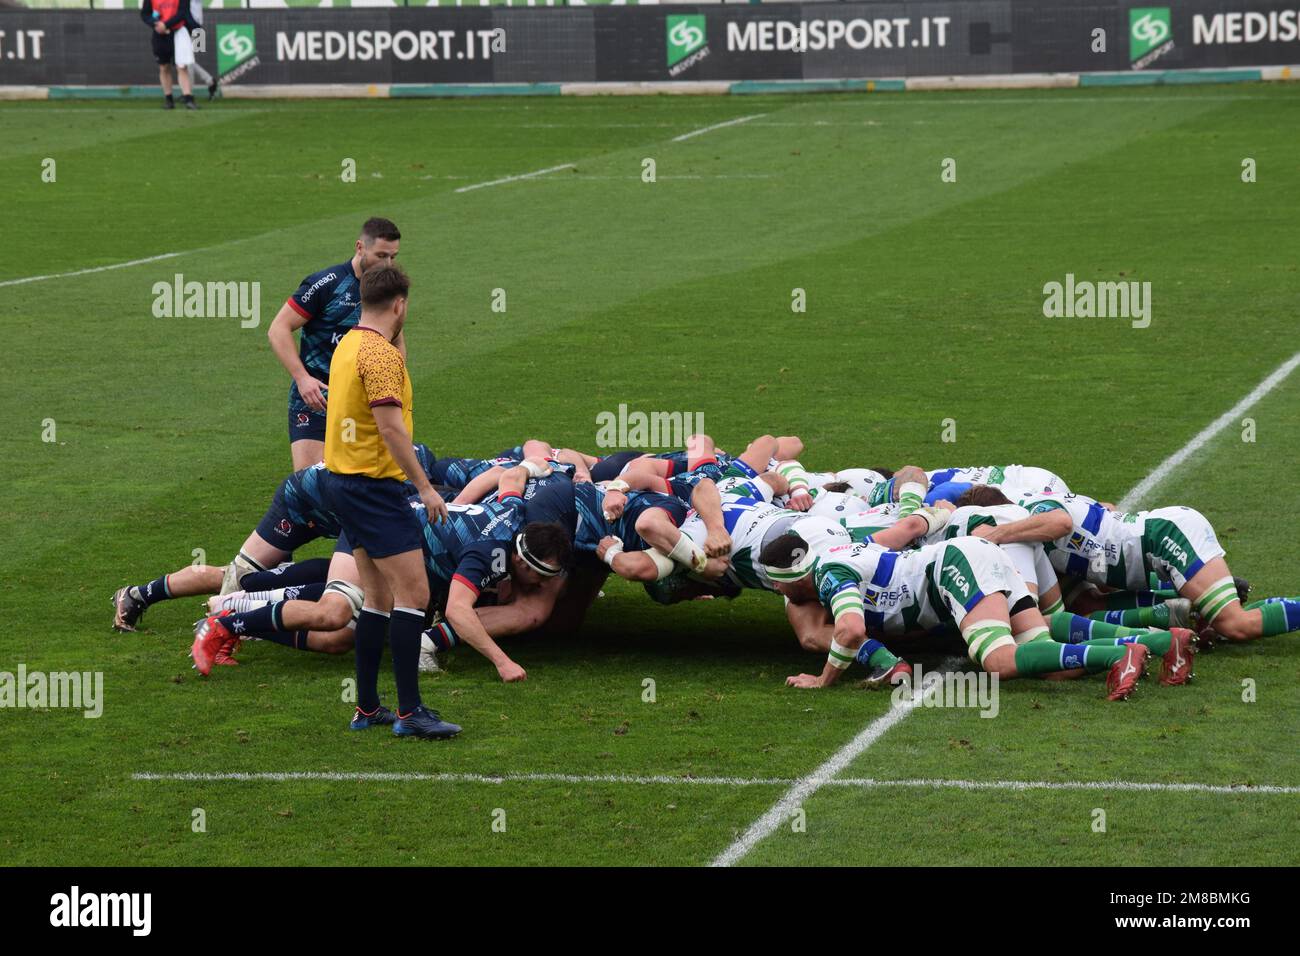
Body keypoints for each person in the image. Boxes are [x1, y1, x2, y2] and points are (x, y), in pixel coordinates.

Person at [267, 218, 401, 471]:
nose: (388, 265)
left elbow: (395, 339)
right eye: (381, 255)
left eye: (393, 257)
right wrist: (302, 378)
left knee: (358, 478)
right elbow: (278, 329)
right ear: (360, 247)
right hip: (318, 397)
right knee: (310, 480)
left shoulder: (388, 288)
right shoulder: (328, 284)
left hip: (360, 400)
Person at [140, 0, 197, 110]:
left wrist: (166, 25)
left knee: (182, 66)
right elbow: (145, 14)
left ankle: (188, 98)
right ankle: (169, 99)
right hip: (160, 33)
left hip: (181, 31)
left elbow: (183, 12)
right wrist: (155, 23)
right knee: (164, 67)